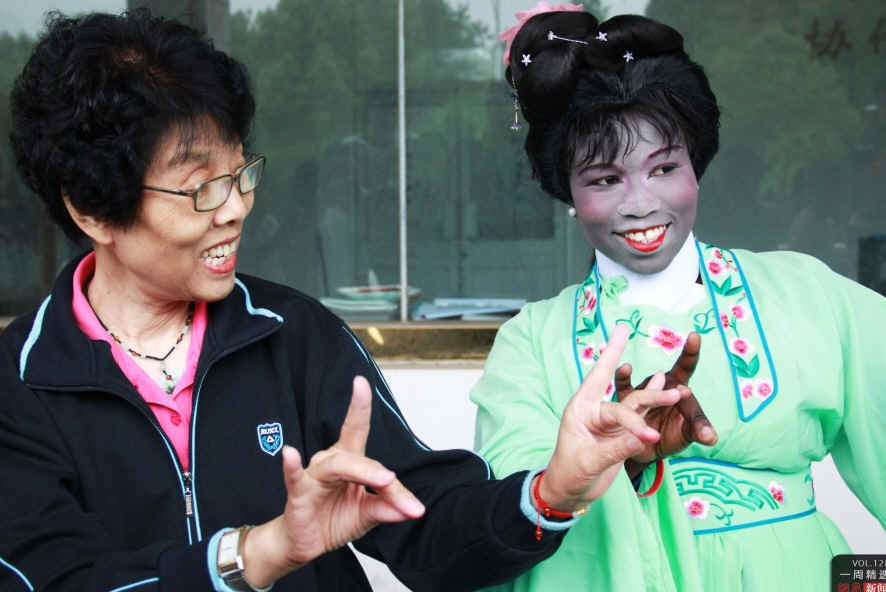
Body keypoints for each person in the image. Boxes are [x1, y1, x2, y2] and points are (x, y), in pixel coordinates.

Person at [0, 10, 690, 592]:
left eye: (240, 173)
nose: (235, 208)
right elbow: (53, 578)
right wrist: (259, 552)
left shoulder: (292, 336)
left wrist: (552, 490)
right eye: (200, 188)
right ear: (92, 209)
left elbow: (425, 523)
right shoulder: (19, 383)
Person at [472, 5, 886, 592]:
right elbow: (513, 511)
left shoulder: (810, 294)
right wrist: (612, 458)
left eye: (663, 167)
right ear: (567, 190)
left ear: (697, 165)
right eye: (605, 179)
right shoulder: (532, 341)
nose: (641, 203)